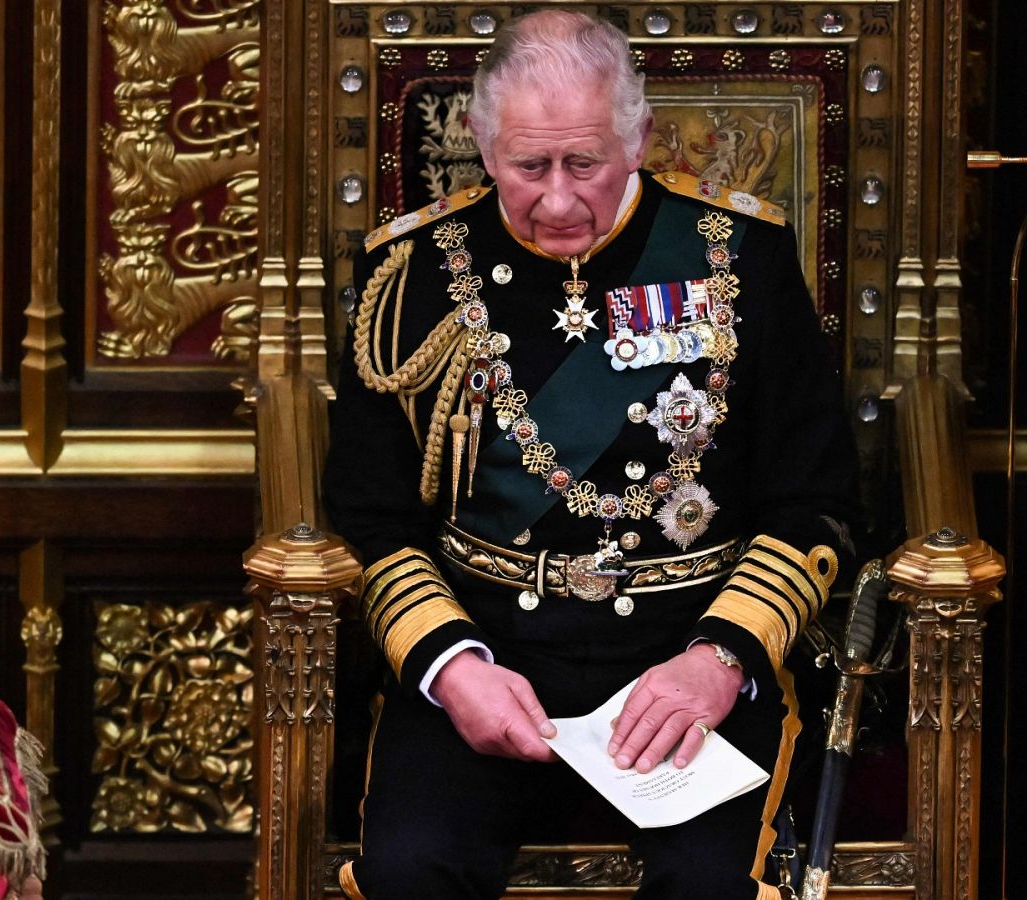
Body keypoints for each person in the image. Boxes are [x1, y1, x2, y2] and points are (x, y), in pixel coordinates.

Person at [324, 10, 860, 899]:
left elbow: (816, 499)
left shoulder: (741, 260)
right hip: (486, 649)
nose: (560, 200)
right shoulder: (412, 274)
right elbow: (371, 509)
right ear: (484, 144)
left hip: (684, 648)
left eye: (586, 164)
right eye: (529, 167)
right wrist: (449, 666)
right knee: (412, 872)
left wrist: (720, 658)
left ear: (640, 139)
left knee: (708, 887)